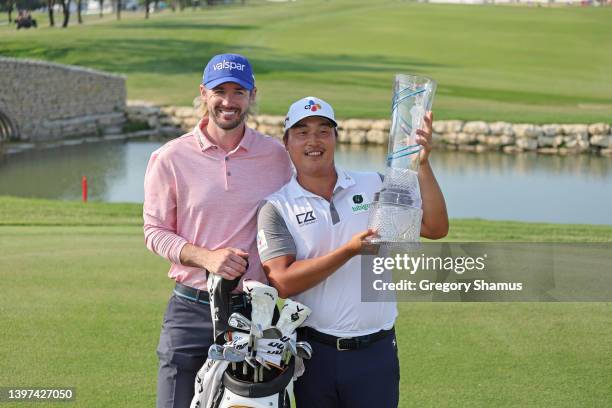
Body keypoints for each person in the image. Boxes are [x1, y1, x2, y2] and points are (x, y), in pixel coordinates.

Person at [256, 96, 448, 408]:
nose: (313, 141)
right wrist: (348, 251)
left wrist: (422, 164)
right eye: (302, 132)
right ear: (286, 142)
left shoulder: (373, 185)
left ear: (335, 137)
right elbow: (283, 281)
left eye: (323, 131)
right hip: (313, 354)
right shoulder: (277, 207)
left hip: (376, 351)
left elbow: (435, 226)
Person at [143, 53, 292, 408]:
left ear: (253, 95)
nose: (228, 101)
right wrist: (205, 257)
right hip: (191, 309)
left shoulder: (276, 156)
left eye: (238, 91)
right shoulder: (170, 157)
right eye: (219, 91)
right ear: (203, 93)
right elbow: (154, 230)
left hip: (257, 313)